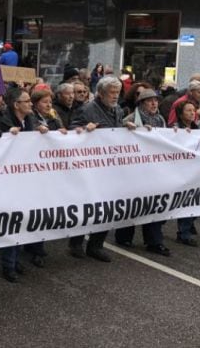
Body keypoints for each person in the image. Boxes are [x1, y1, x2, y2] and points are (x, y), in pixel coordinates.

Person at [0, 87, 50, 280]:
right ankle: (8, 265)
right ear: (16, 105)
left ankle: (15, 261)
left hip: (27, 179)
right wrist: (5, 135)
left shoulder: (31, 120)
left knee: (23, 221)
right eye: (27, 101)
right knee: (12, 222)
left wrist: (42, 132)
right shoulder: (0, 122)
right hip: (7, 181)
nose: (31, 104)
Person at [68, 75, 126, 262]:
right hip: (90, 168)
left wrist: (127, 127)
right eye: (112, 92)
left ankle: (96, 245)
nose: (116, 96)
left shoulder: (117, 109)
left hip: (111, 168)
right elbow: (72, 132)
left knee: (107, 208)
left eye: (118, 92)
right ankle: (76, 243)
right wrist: (84, 129)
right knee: (87, 207)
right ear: (100, 93)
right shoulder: (87, 110)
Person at [117, 89, 171, 256]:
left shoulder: (160, 119)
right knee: (133, 203)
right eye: (150, 101)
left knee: (153, 204)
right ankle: (124, 236)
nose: (154, 103)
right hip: (133, 170)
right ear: (141, 104)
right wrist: (127, 128)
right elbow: (114, 135)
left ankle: (154, 241)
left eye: (156, 100)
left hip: (154, 169)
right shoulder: (131, 119)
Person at [172, 99, 200, 247]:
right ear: (180, 114)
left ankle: (186, 229)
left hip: (195, 171)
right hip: (181, 171)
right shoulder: (175, 128)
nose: (192, 113)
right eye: (188, 110)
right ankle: (183, 233)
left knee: (194, 202)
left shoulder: (198, 129)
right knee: (184, 202)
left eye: (193, 110)